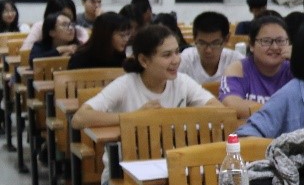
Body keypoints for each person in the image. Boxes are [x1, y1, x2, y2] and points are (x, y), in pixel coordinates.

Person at [72, 24, 216, 129]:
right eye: (167, 55)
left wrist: (173, 115)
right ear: (144, 61)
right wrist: (135, 116)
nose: (176, 60)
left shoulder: (182, 82)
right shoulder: (126, 84)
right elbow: (79, 118)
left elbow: (219, 109)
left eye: (177, 52)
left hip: (171, 158)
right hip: (128, 160)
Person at [219, 15, 294, 118]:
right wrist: (280, 112)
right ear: (251, 45)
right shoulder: (238, 69)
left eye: (280, 41)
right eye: (266, 41)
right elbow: (231, 104)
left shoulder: (295, 70)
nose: (275, 47)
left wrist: (301, 61)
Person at [178, 11, 237, 84]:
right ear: (194, 39)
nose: (208, 50)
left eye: (215, 43)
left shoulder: (236, 61)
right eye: (202, 43)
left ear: (226, 39)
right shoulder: (185, 61)